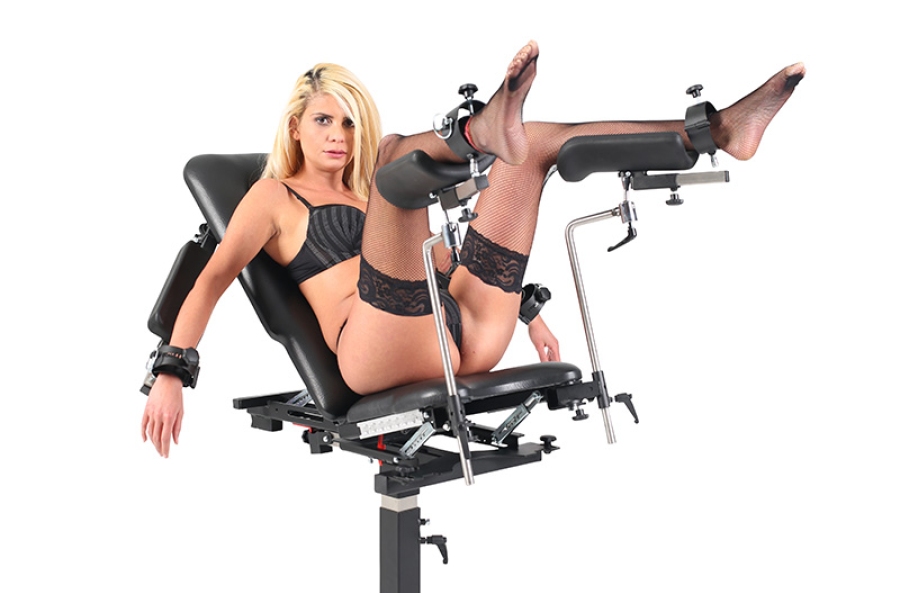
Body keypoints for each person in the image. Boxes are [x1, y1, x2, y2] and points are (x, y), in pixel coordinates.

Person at [142, 40, 804, 456]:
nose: (339, 136)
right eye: (324, 120)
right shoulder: (273, 196)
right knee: (397, 163)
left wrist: (531, 315)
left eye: (348, 122)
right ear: (295, 127)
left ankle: (712, 133)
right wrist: (171, 372)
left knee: (532, 145)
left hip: (464, 332)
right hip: (374, 351)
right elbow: (211, 279)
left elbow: (444, 259)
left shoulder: (370, 186)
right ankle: (477, 131)